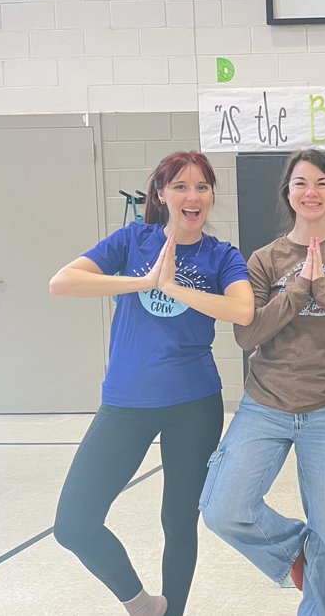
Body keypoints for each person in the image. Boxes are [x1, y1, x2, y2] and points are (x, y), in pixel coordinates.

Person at [49, 151, 254, 616]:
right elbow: (63, 283)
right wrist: (143, 283)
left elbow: (242, 311)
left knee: (179, 522)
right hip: (126, 402)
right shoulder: (132, 241)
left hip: (193, 403)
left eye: (202, 187)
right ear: (161, 195)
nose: (193, 196)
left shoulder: (221, 255)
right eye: (180, 186)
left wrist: (175, 288)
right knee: (74, 525)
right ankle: (143, 605)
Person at [198, 150, 325, 615]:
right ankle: (294, 550)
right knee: (223, 509)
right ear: (288, 192)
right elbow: (248, 333)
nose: (311, 192)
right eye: (301, 182)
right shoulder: (266, 259)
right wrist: (297, 291)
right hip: (265, 404)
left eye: (322, 183)